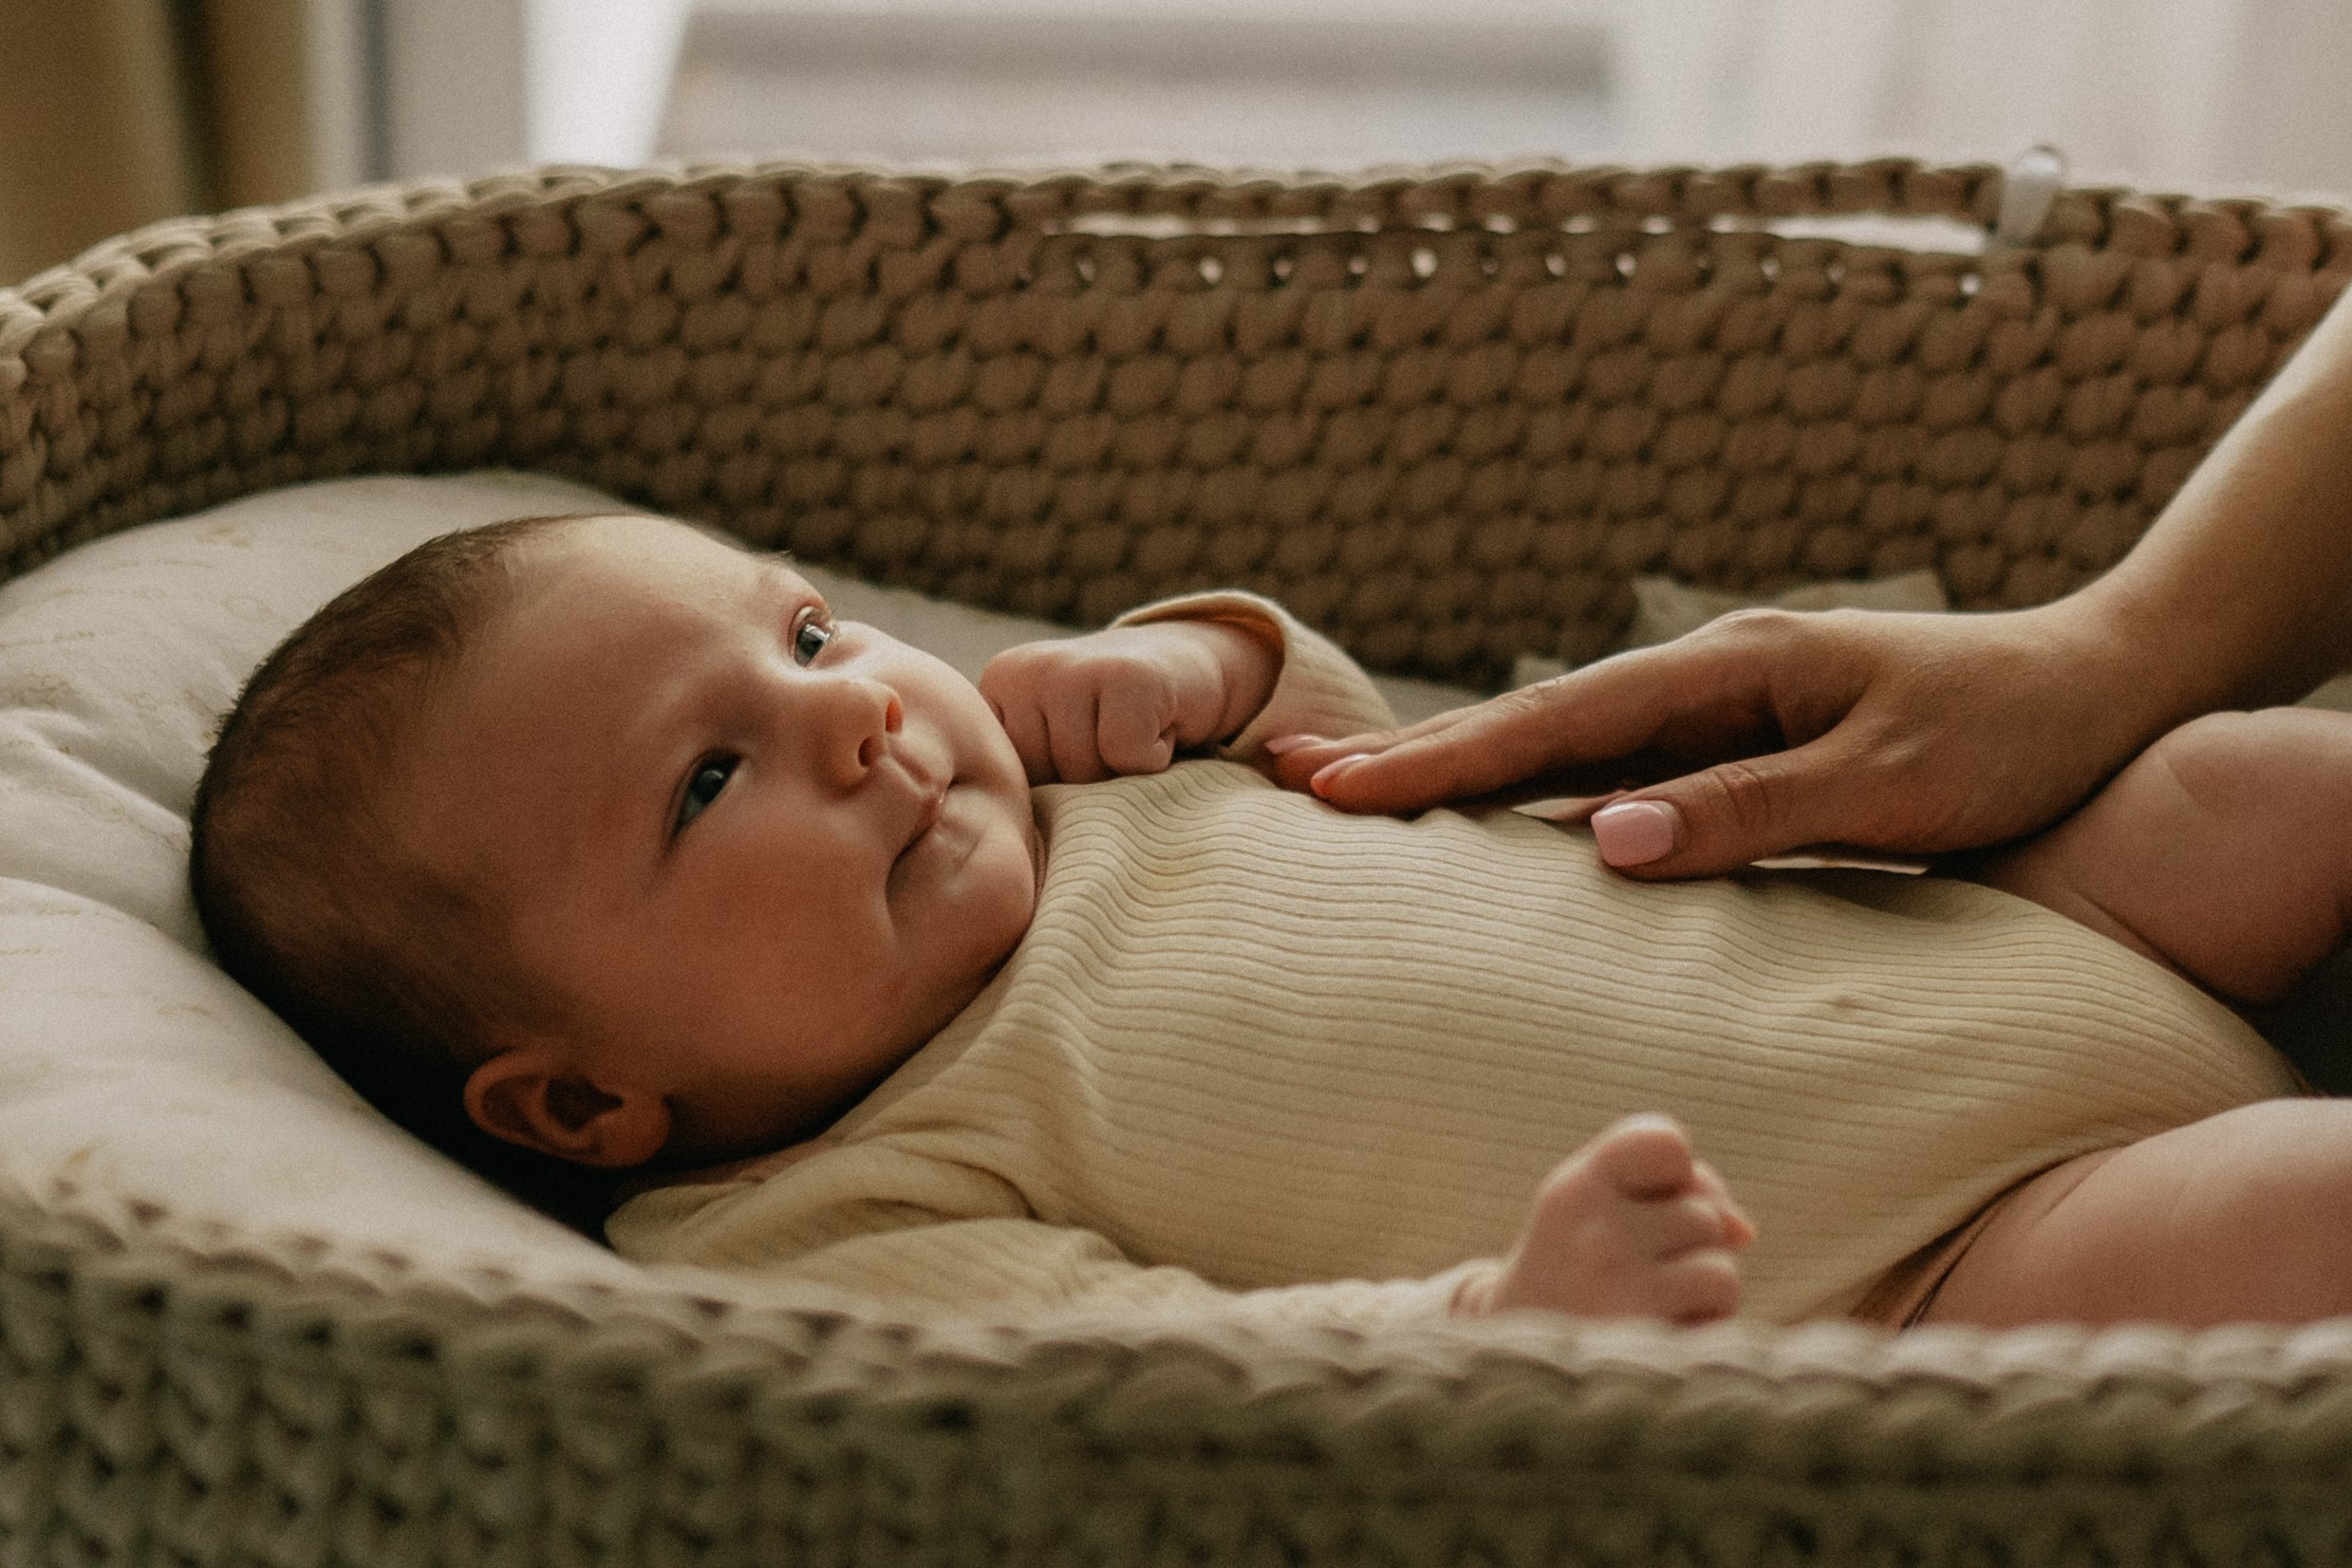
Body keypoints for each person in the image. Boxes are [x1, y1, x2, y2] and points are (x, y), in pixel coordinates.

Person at [194, 511, 2352, 1335]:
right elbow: (1154, 1379)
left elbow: (1403, 756)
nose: (855, 718)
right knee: (2297, 1216)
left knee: (2262, 789)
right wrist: (1502, 1325)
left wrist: (1220, 667)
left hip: (1972, 911)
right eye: (706, 778)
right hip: (1950, 1246)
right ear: (582, 1098)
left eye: (814, 629)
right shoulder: (819, 1215)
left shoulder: (1064, 775)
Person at [1267, 284, 2352, 886]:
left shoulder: (1123, 781)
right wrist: (2112, 648)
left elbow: (1254, 685)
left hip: (2032, 984)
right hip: (1944, 1167)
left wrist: (1198, 652)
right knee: (2269, 788)